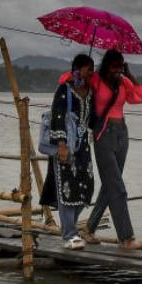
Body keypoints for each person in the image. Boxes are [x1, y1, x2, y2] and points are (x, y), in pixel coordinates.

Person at [82, 49, 142, 249]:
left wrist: (129, 75)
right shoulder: (96, 80)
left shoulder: (123, 82)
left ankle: (88, 229)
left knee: (110, 185)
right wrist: (82, 73)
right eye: (114, 67)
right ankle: (126, 238)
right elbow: (67, 79)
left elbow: (141, 97)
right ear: (106, 66)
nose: (117, 70)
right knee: (118, 187)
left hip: (122, 134)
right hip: (103, 134)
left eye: (120, 66)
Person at [40, 53, 95, 249]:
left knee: (85, 189)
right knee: (66, 190)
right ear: (78, 69)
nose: (91, 73)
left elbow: (93, 120)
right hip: (64, 147)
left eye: (93, 69)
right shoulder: (65, 89)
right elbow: (57, 116)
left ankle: (70, 227)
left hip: (82, 149)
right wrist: (61, 145)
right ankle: (69, 235)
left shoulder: (89, 92)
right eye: (89, 69)